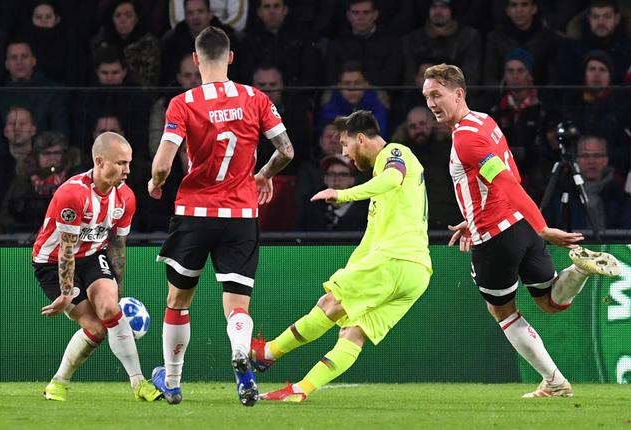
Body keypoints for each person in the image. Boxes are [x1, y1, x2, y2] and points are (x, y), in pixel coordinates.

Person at [421, 63, 622, 398]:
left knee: (501, 310)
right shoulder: (484, 121)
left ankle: (555, 382)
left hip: (496, 238)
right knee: (551, 302)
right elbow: (501, 179)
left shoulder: (467, 140)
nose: (430, 103)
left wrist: (542, 227)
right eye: (427, 96)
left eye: (436, 95)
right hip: (519, 226)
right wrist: (482, 218)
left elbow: (505, 181)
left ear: (458, 93)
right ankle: (580, 270)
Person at [147, 26, 294, 406]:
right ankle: (241, 352)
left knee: (178, 302)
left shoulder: (183, 103)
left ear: (196, 60)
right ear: (230, 57)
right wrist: (263, 175)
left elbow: (164, 161)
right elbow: (287, 150)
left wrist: (155, 183)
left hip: (194, 213)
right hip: (241, 213)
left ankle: (174, 383)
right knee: (238, 306)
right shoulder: (255, 98)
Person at [250, 110, 431, 402]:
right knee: (354, 333)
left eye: (345, 144)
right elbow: (370, 240)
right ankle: (299, 391)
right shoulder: (382, 189)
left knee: (330, 303)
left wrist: (343, 193)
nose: (345, 153)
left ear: (361, 138)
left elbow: (393, 177)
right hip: (417, 273)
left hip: (396, 259)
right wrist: (350, 271)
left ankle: (267, 352)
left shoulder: (394, 153)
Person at [33, 131, 161, 402]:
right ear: (100, 162)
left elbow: (117, 246)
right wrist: (67, 294)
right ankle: (58, 382)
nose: (127, 170)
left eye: (128, 163)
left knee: (110, 308)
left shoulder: (126, 198)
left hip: (92, 255)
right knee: (96, 329)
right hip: (53, 261)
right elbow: (66, 249)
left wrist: (117, 289)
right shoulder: (72, 194)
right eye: (120, 163)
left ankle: (139, 383)